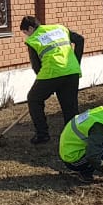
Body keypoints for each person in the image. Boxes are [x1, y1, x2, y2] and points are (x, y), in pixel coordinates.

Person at [18, 16, 84, 144]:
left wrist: (48, 84)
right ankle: (73, 136)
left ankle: (42, 134)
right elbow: (80, 40)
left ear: (31, 28)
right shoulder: (60, 28)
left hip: (51, 73)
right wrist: (76, 62)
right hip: (71, 72)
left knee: (33, 98)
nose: (26, 36)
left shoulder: (33, 39)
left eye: (25, 33)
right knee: (70, 107)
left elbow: (36, 66)